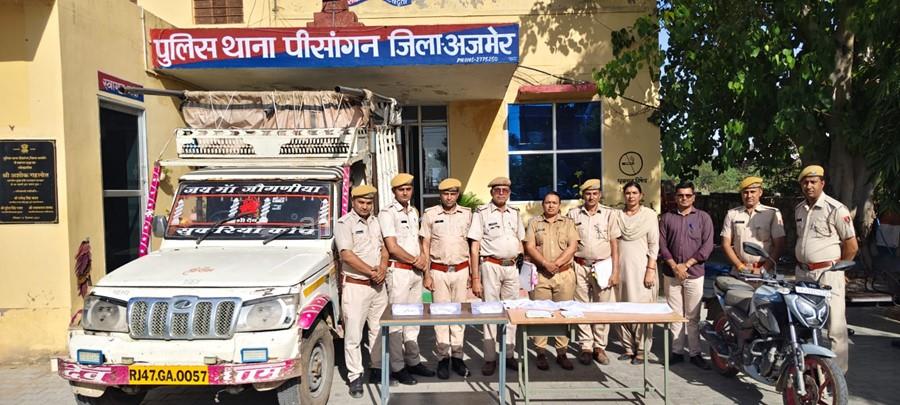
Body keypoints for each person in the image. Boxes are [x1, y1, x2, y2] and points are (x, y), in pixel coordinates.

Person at [794, 165, 858, 373]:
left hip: (828, 274)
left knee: (835, 327)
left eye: (813, 182)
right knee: (805, 322)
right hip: (803, 273)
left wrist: (840, 269)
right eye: (805, 182)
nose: (809, 186)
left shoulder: (836, 209)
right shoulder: (799, 209)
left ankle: (836, 376)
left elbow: (851, 245)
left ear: (822, 183)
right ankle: (810, 368)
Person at [378, 173, 434, 385]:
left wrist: (423, 264)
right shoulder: (387, 213)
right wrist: (415, 260)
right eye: (401, 189)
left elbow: (417, 241)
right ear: (394, 191)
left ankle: (413, 361)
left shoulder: (413, 211)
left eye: (408, 189)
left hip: (415, 272)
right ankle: (398, 366)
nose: (405, 192)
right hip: (399, 272)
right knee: (397, 322)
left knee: (413, 320)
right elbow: (392, 247)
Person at [334, 184, 390, 398]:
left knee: (378, 329)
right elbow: (346, 255)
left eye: (369, 203)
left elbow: (384, 248)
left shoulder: (376, 222)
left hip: (378, 286)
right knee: (354, 334)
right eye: (361, 202)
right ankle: (355, 376)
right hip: (356, 286)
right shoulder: (344, 223)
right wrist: (371, 272)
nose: (365, 206)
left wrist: (382, 268)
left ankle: (377, 368)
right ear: (353, 202)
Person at [468, 176, 525, 376]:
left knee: (512, 312)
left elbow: (521, 241)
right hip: (490, 266)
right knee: (490, 312)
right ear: (491, 192)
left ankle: (508, 354)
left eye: (505, 190)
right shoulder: (482, 213)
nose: (501, 193)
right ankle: (490, 358)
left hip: (511, 267)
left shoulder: (515, 213)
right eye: (497, 190)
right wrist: (475, 278)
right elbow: (474, 247)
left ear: (509, 193)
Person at [420, 178, 473, 379]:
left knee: (459, 316)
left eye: (453, 193)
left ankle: (458, 357)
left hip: (461, 270)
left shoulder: (467, 214)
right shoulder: (430, 214)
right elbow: (425, 245)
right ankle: (443, 358)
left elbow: (472, 245)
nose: (449, 197)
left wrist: (472, 274)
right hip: (438, 271)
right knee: (441, 316)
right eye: (445, 193)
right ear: (440, 195)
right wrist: (426, 274)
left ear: (457, 194)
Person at [659, 181, 714, 369]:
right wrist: (675, 267)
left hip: (694, 273)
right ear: (675, 197)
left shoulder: (703, 218)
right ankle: (677, 351)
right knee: (675, 314)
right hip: (671, 273)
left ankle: (695, 352)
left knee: (692, 316)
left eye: (688, 195)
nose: (684, 198)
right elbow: (662, 245)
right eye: (680, 195)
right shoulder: (667, 218)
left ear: (693, 197)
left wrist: (686, 265)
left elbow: (707, 246)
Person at [567, 179, 621, 366]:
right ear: (583, 195)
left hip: (603, 265)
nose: (591, 197)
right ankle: (586, 346)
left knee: (602, 307)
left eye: (595, 193)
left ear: (600, 195)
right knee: (581, 306)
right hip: (580, 265)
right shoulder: (573, 214)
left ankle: (600, 346)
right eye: (588, 193)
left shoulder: (609, 214)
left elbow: (614, 244)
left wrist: (615, 271)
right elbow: (569, 242)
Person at [524, 191, 580, 371]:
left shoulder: (568, 223)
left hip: (564, 274)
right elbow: (530, 246)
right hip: (541, 275)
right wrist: (545, 263)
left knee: (563, 313)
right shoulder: (534, 223)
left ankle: (561, 352)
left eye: (554, 202)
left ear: (559, 205)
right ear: (543, 204)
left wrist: (556, 263)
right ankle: (540, 352)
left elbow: (573, 246)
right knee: (541, 313)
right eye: (547, 202)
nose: (551, 205)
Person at [614, 181, 660, 365]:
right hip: (621, 269)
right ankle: (628, 347)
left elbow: (654, 244)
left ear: (641, 195)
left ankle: (642, 349)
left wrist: (650, 270)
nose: (631, 196)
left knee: (642, 309)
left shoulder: (649, 215)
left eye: (634, 193)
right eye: (628, 193)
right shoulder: (617, 215)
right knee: (622, 307)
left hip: (642, 269)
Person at [721, 176, 786, 275]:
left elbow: (779, 245)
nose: (749, 195)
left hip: (765, 271)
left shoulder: (772, 213)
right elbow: (726, 244)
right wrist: (739, 266)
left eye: (752, 192)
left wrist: (764, 269)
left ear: (760, 192)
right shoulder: (732, 214)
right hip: (739, 270)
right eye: (745, 192)